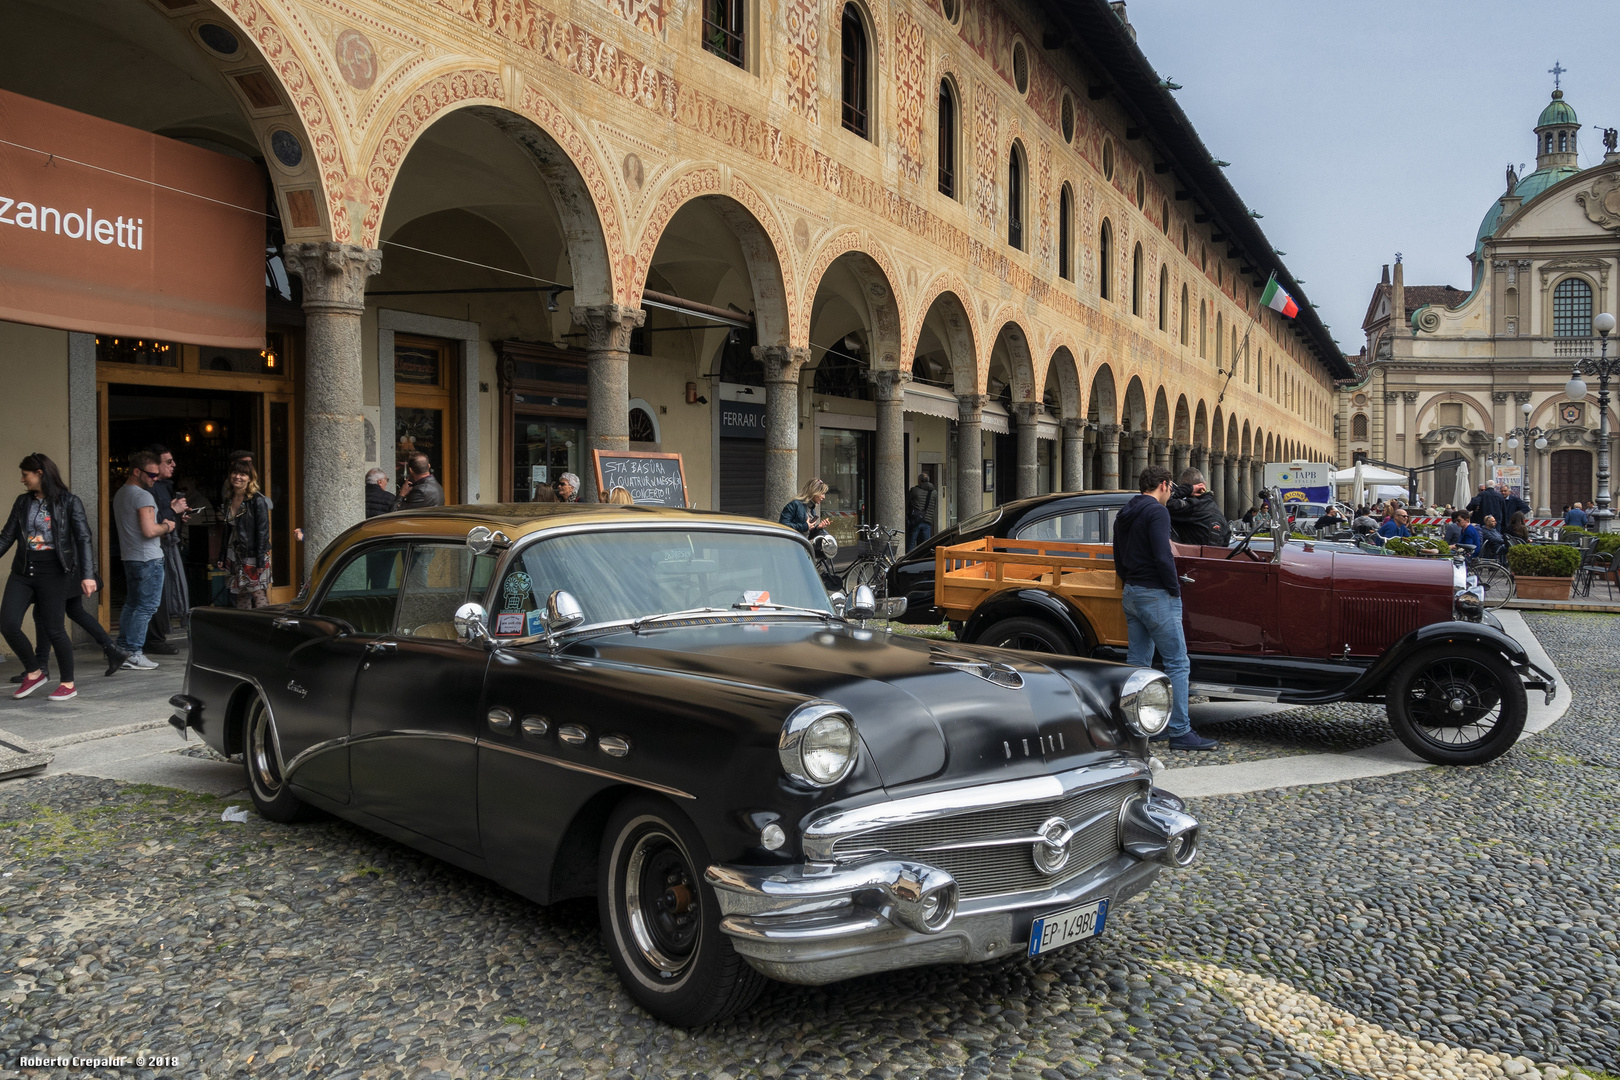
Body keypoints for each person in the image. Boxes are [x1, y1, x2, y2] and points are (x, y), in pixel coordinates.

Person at [1, 455, 129, 700]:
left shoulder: (69, 502)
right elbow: (7, 536)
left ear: (39, 473)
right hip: (23, 571)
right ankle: (34, 671)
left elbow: (83, 538)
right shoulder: (22, 502)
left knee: (54, 628)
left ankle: (68, 684)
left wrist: (88, 575)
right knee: (7, 622)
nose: (22, 480)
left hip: (54, 572)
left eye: (25, 475)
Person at [1113, 465, 1215, 752]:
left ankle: (1138, 726)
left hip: (1132, 591)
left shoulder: (1126, 511)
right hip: (1156, 593)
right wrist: (1174, 588)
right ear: (1164, 485)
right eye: (1170, 488)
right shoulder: (1157, 512)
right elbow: (1162, 553)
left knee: (1137, 665)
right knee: (1177, 663)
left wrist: (1129, 581)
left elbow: (1118, 554)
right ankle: (1180, 730)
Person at [112, 450, 174, 670]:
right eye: (151, 475)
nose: (155, 479)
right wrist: (168, 525)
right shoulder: (143, 496)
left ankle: (121, 650)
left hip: (130, 557)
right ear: (136, 471)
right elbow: (149, 531)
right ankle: (134, 652)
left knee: (132, 604)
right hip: (148, 558)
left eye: (157, 475)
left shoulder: (121, 493)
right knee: (146, 607)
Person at [142, 445, 190, 656]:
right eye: (168, 462)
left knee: (163, 591)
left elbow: (165, 514)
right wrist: (173, 510)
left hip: (167, 542)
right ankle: (154, 638)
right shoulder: (146, 488)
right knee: (156, 593)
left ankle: (156, 637)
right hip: (155, 544)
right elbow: (152, 519)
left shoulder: (166, 485)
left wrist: (179, 514)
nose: (173, 465)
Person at [219, 460, 272, 608]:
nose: (237, 477)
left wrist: (260, 559)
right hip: (234, 552)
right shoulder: (229, 499)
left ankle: (265, 625)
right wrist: (222, 555)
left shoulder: (257, 500)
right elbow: (227, 529)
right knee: (240, 592)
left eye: (243, 474)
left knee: (257, 592)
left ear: (250, 478)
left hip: (253, 553)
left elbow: (263, 531)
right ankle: (246, 627)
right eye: (235, 473)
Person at [1165, 467, 1227, 547]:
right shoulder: (1218, 513)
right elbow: (1226, 539)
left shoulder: (1190, 508)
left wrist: (1187, 489)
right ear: (1204, 484)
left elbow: (1163, 501)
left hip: (1188, 556)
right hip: (1212, 557)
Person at [905, 472, 938, 551]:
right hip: (927, 521)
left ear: (920, 481)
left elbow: (908, 503)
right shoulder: (934, 493)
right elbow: (934, 506)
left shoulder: (914, 490)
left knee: (911, 543)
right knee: (926, 545)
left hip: (915, 520)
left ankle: (909, 561)